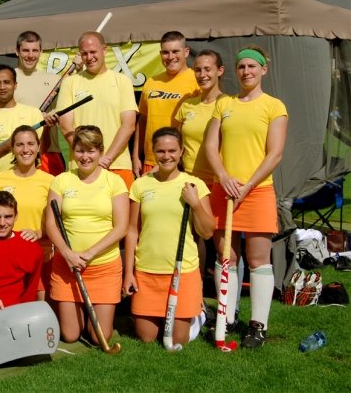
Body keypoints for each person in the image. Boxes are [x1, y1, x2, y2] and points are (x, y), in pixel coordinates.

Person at [205, 46, 288, 348]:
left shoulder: (274, 106)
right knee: (227, 256)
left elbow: (275, 153)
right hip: (223, 190)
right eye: (241, 67)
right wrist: (225, 178)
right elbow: (211, 147)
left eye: (253, 66)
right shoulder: (224, 104)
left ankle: (258, 326)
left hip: (257, 191)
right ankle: (227, 318)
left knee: (257, 259)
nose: (247, 72)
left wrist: (247, 185)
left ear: (264, 69)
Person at [123, 127, 214, 346]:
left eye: (172, 150)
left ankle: (198, 313)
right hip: (147, 270)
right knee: (147, 337)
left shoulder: (194, 185)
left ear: (181, 151)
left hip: (182, 271)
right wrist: (129, 273)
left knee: (176, 341)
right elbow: (132, 230)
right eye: (161, 151)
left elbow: (208, 231)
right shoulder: (141, 184)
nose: (167, 156)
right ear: (153, 151)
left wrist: (195, 204)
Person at [46, 126, 129, 344]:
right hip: (68, 267)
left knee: (99, 336)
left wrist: (89, 253)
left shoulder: (114, 182)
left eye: (91, 151)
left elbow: (121, 227)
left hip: (104, 267)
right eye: (80, 151)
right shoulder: (62, 180)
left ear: (101, 152)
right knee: (71, 335)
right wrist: (68, 254)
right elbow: (51, 225)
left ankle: (88, 315)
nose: (85, 157)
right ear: (73, 152)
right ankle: (77, 313)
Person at [56, 31, 137, 189]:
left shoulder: (122, 81)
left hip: (116, 164)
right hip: (81, 167)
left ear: (104, 50)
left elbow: (128, 125)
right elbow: (66, 126)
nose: (89, 57)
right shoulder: (70, 83)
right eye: (84, 53)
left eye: (93, 52)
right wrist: (89, 157)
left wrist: (106, 158)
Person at [0, 125, 54, 301]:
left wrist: (38, 233)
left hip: (41, 257)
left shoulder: (51, 181)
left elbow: (58, 224)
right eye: (19, 144)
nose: (25, 150)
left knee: (38, 315)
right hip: (6, 259)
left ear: (38, 147)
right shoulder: (0, 179)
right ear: (12, 148)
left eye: (30, 144)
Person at [172, 50, 224, 283]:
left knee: (224, 246)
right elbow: (175, 141)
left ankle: (227, 311)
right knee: (193, 239)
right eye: (198, 69)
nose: (202, 74)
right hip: (191, 181)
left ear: (219, 71)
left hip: (218, 182)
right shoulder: (187, 105)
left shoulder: (229, 104)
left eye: (207, 69)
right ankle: (198, 292)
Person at [0, 31, 67, 176]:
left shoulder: (55, 80)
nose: (30, 55)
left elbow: (64, 114)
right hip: (17, 155)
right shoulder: (6, 80)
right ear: (17, 51)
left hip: (48, 153)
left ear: (41, 52)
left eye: (35, 50)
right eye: (25, 50)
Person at [133, 31, 200, 177]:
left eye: (175, 51)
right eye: (165, 52)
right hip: (151, 161)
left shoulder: (197, 82)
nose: (170, 57)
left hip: (181, 162)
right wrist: (136, 156)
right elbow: (142, 120)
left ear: (186, 52)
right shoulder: (151, 82)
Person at [0, 64, 47, 190]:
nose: (2, 87)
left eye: (7, 82)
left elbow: (42, 149)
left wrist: (49, 128)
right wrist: (5, 147)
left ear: (15, 85)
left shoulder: (33, 113)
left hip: (30, 179)